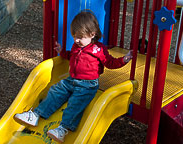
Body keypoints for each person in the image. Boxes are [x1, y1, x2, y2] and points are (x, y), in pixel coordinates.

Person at [14, 10, 133, 143]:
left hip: (88, 85)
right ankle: (36, 115)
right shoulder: (77, 45)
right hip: (71, 80)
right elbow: (72, 56)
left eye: (80, 37)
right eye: (75, 36)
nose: (76, 40)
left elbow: (110, 62)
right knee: (55, 91)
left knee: (75, 104)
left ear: (92, 34)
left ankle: (63, 129)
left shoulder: (99, 49)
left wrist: (124, 59)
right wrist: (62, 52)